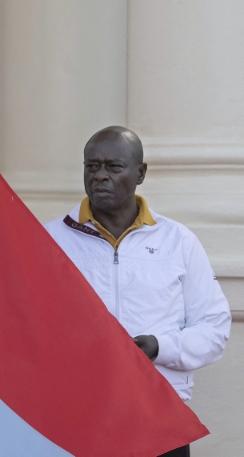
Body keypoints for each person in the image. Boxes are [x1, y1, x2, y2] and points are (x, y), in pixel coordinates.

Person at [44, 126, 230, 457]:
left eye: (113, 167)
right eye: (91, 166)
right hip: (78, 416)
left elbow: (214, 327)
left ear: (140, 173)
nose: (100, 176)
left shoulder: (177, 241)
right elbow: (26, 324)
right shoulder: (50, 240)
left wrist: (160, 347)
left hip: (159, 416)